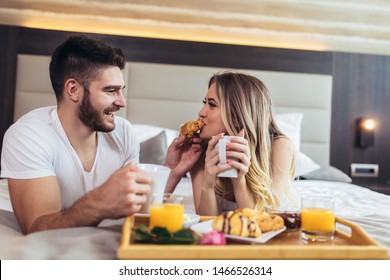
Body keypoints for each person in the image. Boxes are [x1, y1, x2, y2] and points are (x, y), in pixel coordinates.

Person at [0, 35, 151, 234]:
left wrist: (172, 173)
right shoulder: (28, 136)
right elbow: (37, 228)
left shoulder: (124, 133)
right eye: (111, 91)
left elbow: (137, 209)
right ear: (73, 90)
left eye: (121, 90)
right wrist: (99, 202)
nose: (122, 102)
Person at [164, 71, 299, 216]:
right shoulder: (199, 149)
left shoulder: (280, 147)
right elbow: (207, 220)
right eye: (205, 103)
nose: (201, 112)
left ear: (236, 116)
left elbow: (262, 220)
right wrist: (208, 184)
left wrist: (239, 180)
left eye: (212, 105)